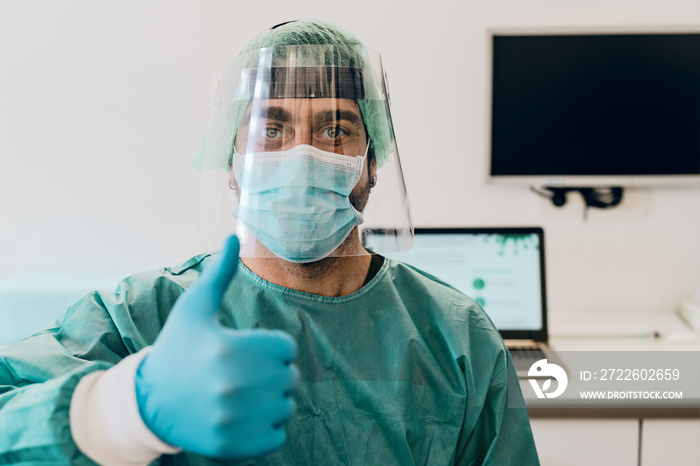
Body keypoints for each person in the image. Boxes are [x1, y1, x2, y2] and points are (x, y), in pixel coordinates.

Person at [0, 20, 540, 465]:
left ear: (373, 162)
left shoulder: (455, 336)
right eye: (271, 130)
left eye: (335, 131)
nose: (301, 157)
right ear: (233, 164)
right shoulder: (145, 318)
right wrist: (122, 409)